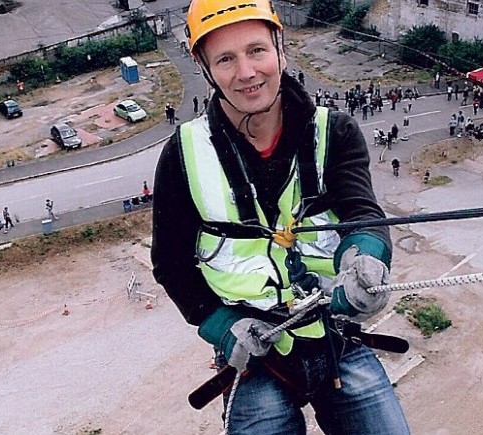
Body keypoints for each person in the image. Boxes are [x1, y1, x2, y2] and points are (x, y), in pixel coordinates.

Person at [151, 0, 409, 433]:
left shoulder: (335, 132)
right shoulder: (183, 155)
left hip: (335, 333)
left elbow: (362, 212)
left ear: (280, 48)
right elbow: (171, 264)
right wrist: (222, 326)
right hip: (253, 351)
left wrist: (366, 257)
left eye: (256, 50)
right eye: (226, 59)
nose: (247, 72)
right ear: (205, 68)